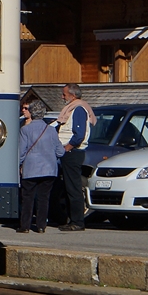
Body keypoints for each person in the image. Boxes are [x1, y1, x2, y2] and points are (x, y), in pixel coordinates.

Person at [18, 99, 64, 233]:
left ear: (31, 113)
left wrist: (20, 165)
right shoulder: (51, 130)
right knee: (44, 198)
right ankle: (41, 226)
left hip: (31, 168)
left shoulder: (25, 130)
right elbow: (60, 151)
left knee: (28, 198)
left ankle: (25, 226)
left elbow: (21, 152)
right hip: (49, 169)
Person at [56, 83, 96, 231]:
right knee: (67, 186)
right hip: (69, 153)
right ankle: (71, 219)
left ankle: (78, 221)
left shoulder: (78, 109)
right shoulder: (71, 109)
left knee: (73, 188)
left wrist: (67, 147)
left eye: (64, 94)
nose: (62, 97)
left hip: (73, 153)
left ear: (72, 95)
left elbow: (79, 135)